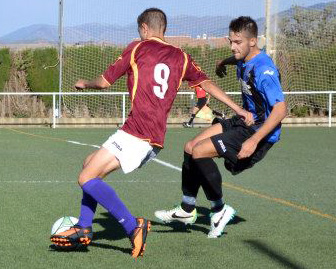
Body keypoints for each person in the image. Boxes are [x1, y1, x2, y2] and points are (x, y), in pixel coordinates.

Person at [50, 9, 253, 258]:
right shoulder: (182, 56)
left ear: (145, 28)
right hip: (148, 135)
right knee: (89, 164)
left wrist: (84, 83)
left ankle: (132, 227)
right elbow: (206, 84)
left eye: (140, 30)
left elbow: (104, 81)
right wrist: (238, 109)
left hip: (138, 134)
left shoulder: (138, 48)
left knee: (85, 178)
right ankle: (84, 226)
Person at [155, 16, 287, 238]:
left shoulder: (265, 70)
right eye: (230, 41)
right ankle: (187, 209)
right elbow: (239, 60)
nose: (233, 47)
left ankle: (219, 210)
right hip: (244, 120)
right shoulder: (246, 58)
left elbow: (281, 110)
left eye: (238, 43)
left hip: (258, 130)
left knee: (199, 152)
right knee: (190, 146)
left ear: (253, 41)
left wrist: (254, 140)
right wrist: (223, 62)